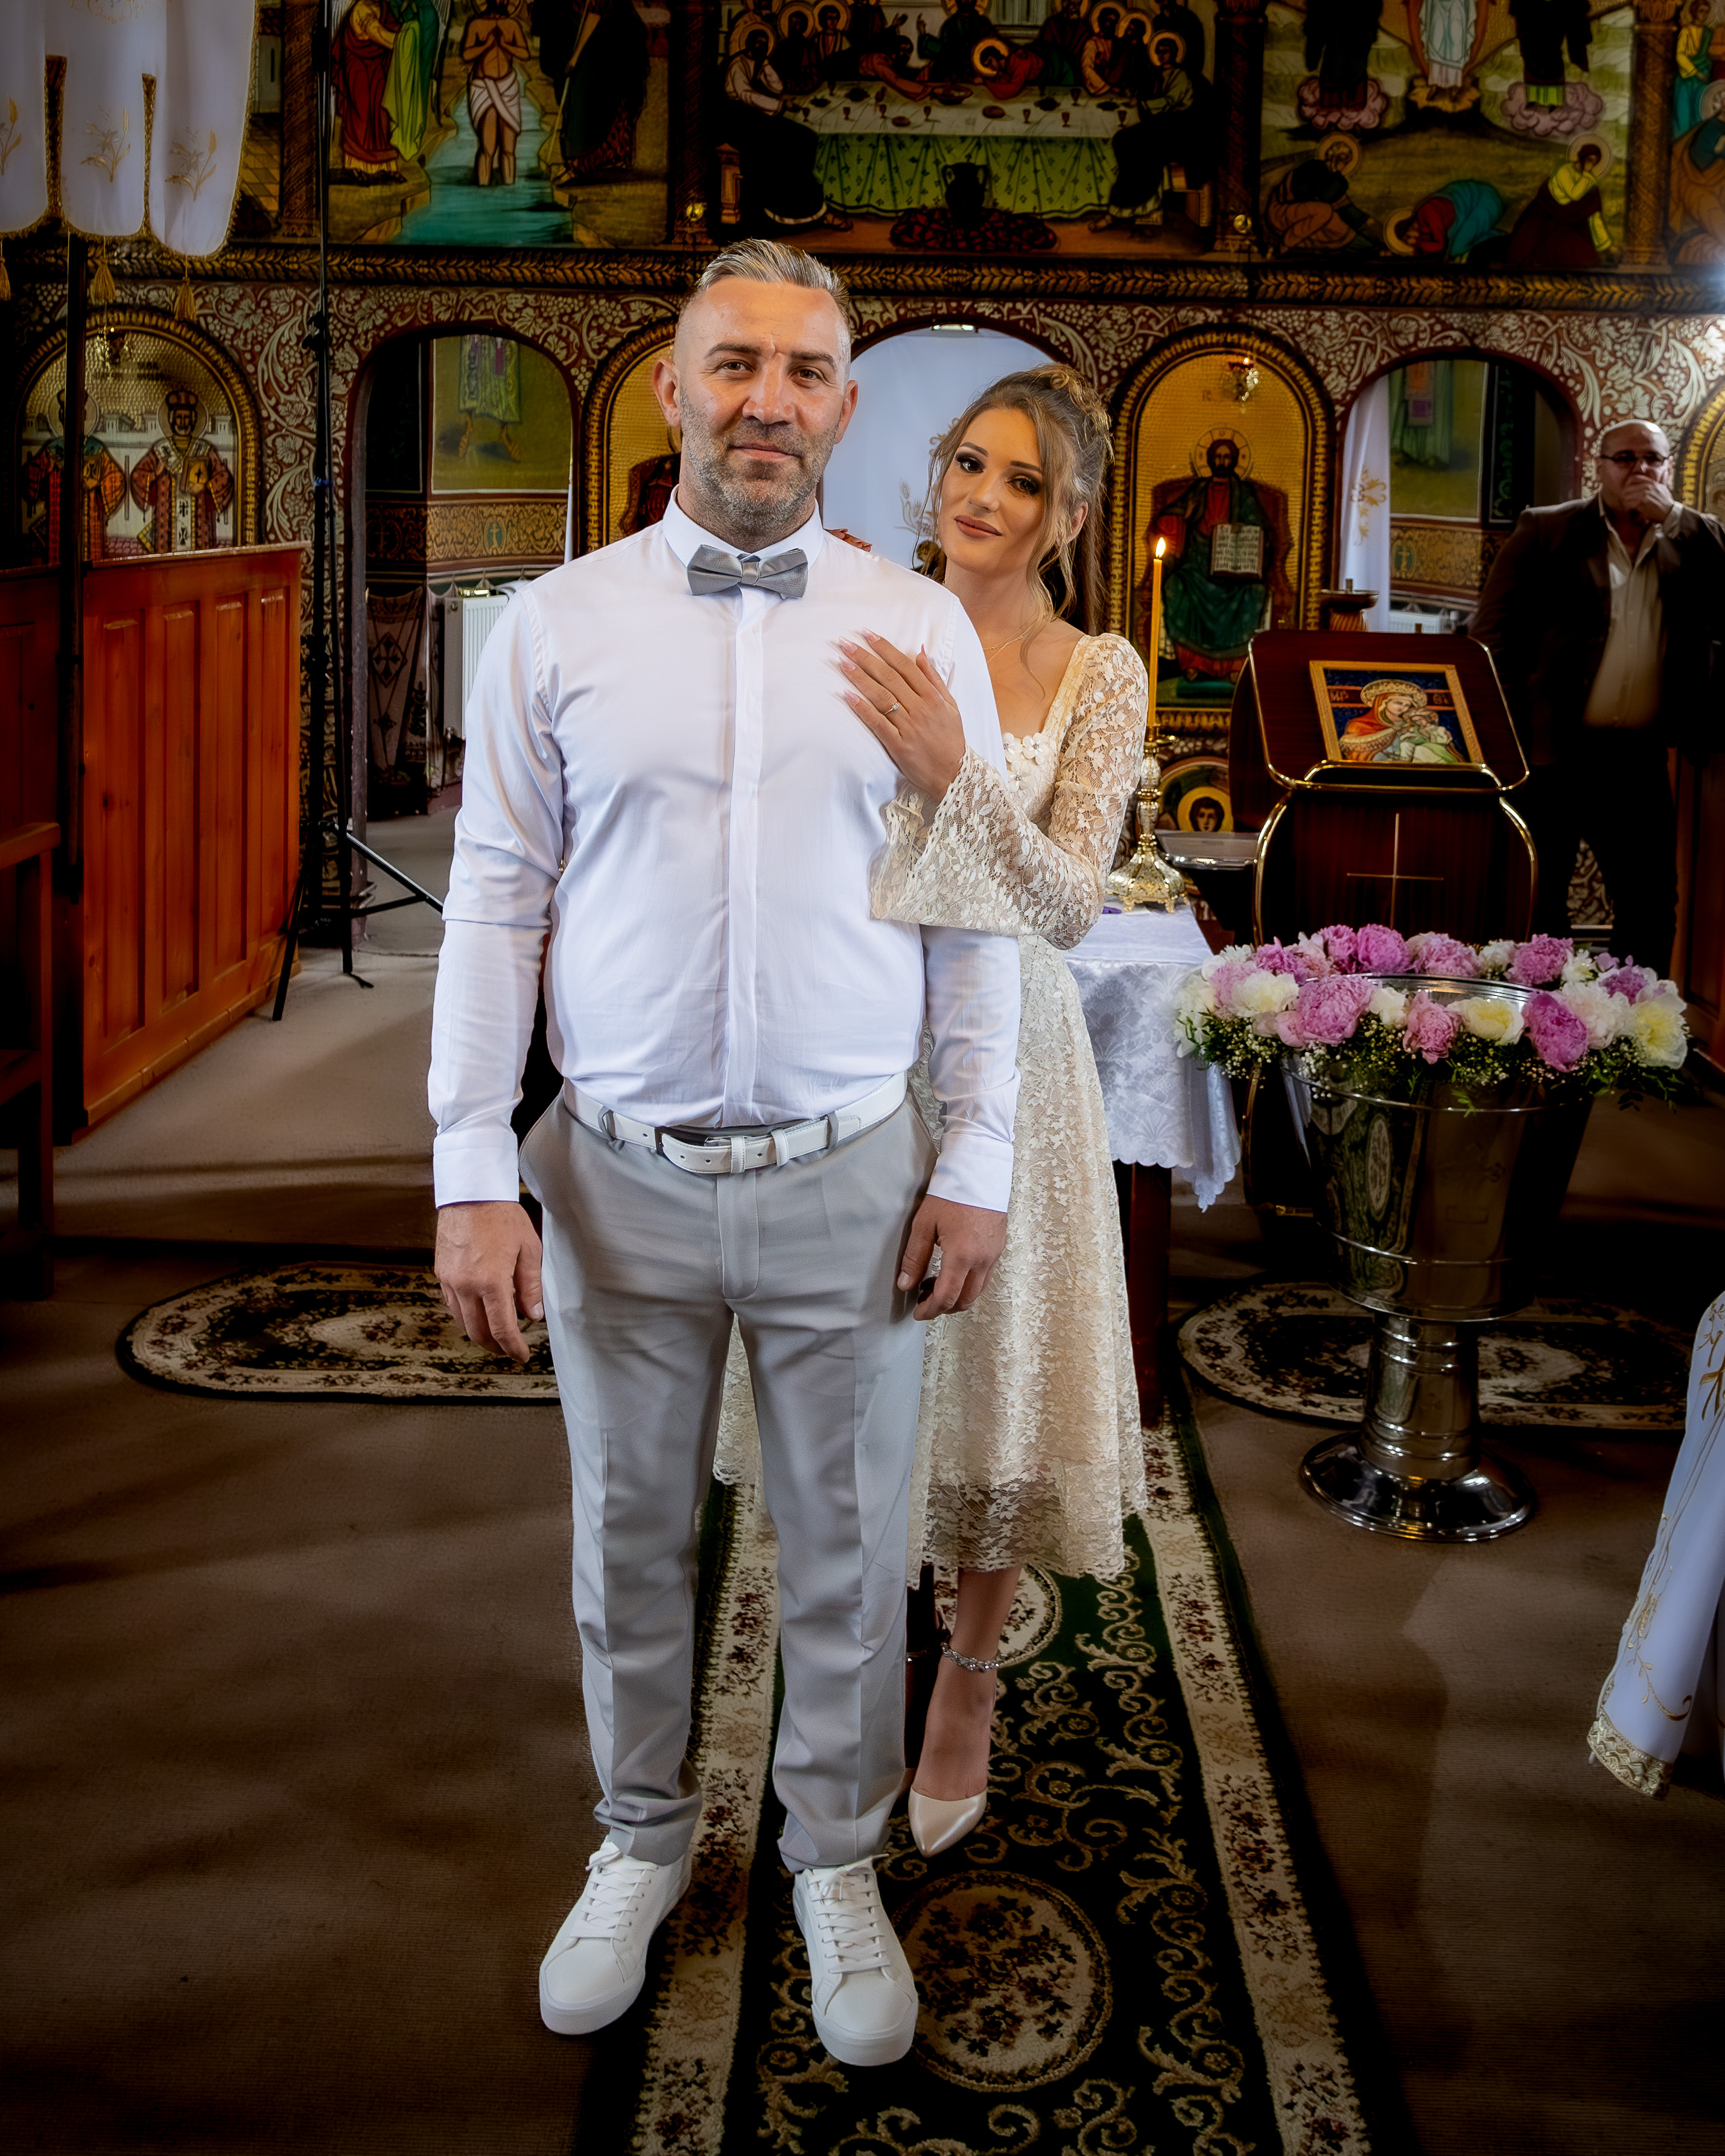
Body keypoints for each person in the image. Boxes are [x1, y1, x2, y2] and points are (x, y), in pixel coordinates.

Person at [429, 239, 1021, 2065]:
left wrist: (977, 1154)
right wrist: (470, 1166)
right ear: (672, 386)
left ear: (844, 406)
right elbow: (494, 899)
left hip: (853, 1170)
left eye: (805, 369)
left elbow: (971, 911)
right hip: (614, 1174)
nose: (768, 398)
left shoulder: (916, 627)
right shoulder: (557, 624)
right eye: (735, 362)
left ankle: (832, 1860)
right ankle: (636, 1837)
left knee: (846, 1550)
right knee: (626, 1533)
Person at [717, 367, 1147, 1857]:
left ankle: (964, 1677)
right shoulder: (866, 615)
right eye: (970, 462)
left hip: (1013, 1052)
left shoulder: (1098, 671)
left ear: (1068, 516)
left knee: (994, 1377)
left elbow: (1071, 906)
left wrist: (960, 776)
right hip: (847, 1038)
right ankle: (854, 1652)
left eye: (1024, 480)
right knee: (848, 1362)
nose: (984, 496)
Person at [1470, 417, 1725, 975]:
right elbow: (1490, 637)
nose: (1640, 470)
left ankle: (1638, 1018)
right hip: (1550, 750)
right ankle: (1539, 1014)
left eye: (1652, 459)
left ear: (1668, 468)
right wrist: (1510, 733)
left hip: (1637, 755)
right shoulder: (1547, 529)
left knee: (1650, 901)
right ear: (1600, 467)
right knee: (1537, 895)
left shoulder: (1688, 538)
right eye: (1625, 458)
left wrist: (1674, 518)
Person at [462, 0, 531, 187]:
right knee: (488, 148)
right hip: (484, 87)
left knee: (509, 149)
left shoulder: (512, 25)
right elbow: (466, 55)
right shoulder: (477, 24)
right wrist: (487, 45)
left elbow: (525, 54)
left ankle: (510, 190)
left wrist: (505, 45)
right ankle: (483, 191)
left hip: (508, 87)